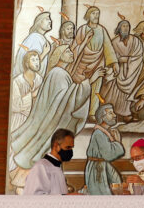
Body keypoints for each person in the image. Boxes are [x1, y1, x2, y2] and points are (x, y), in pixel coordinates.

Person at [9, 46, 90, 175]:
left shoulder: (56, 73)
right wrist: (87, 84)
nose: (71, 53)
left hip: (47, 122)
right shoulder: (58, 74)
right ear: (59, 55)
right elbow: (65, 100)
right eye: (67, 51)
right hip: (47, 122)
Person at [69, 6, 117, 117]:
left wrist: (114, 63)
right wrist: (85, 40)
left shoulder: (102, 30)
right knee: (82, 87)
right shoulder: (82, 29)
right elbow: (75, 47)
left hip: (98, 62)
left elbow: (108, 47)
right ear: (88, 15)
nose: (96, 16)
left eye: (97, 13)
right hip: (82, 64)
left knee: (96, 88)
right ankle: (78, 111)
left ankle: (92, 113)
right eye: (93, 13)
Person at [102, 19, 143, 121]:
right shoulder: (114, 42)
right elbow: (109, 55)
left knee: (129, 91)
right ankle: (113, 113)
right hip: (118, 69)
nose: (126, 28)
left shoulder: (135, 41)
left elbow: (138, 56)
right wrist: (117, 61)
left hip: (132, 71)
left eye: (127, 26)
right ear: (119, 28)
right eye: (123, 26)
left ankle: (126, 114)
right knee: (113, 91)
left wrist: (126, 60)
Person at [84, 104, 124, 195]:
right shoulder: (98, 133)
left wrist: (115, 142)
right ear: (102, 117)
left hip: (102, 165)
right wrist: (117, 142)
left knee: (117, 185)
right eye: (110, 113)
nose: (115, 115)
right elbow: (109, 154)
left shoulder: (104, 132)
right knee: (101, 194)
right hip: (96, 169)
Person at [23, 129, 74, 195]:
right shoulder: (41, 167)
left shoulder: (57, 167)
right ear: (56, 146)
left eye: (71, 148)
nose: (70, 151)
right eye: (68, 147)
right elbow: (35, 197)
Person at [9, 50, 43, 131]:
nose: (36, 62)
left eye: (37, 59)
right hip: (19, 121)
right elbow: (15, 106)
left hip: (33, 121)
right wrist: (32, 95)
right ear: (27, 63)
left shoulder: (39, 79)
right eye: (33, 60)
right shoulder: (17, 81)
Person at [14, 9, 53, 78]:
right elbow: (30, 63)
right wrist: (44, 53)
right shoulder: (35, 37)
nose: (50, 21)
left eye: (50, 19)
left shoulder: (39, 37)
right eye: (47, 19)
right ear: (39, 22)